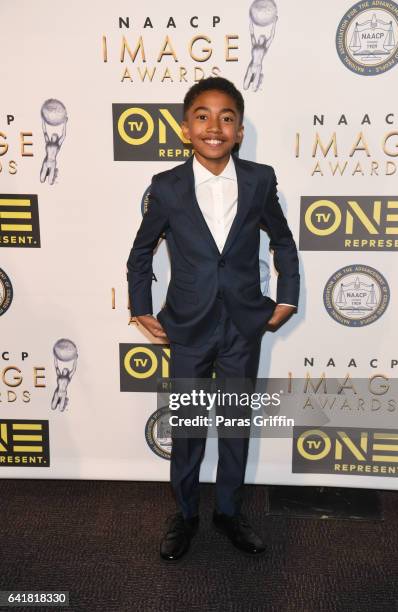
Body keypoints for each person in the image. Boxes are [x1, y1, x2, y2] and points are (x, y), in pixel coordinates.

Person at [127, 77, 300, 562]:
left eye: (227, 117)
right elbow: (142, 253)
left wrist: (287, 296)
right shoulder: (166, 187)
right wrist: (140, 306)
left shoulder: (261, 179)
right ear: (186, 129)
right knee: (186, 426)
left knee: (235, 424)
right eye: (202, 116)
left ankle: (228, 511)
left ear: (239, 131)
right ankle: (184, 514)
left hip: (244, 324)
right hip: (188, 326)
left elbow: (282, 241)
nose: (215, 126)